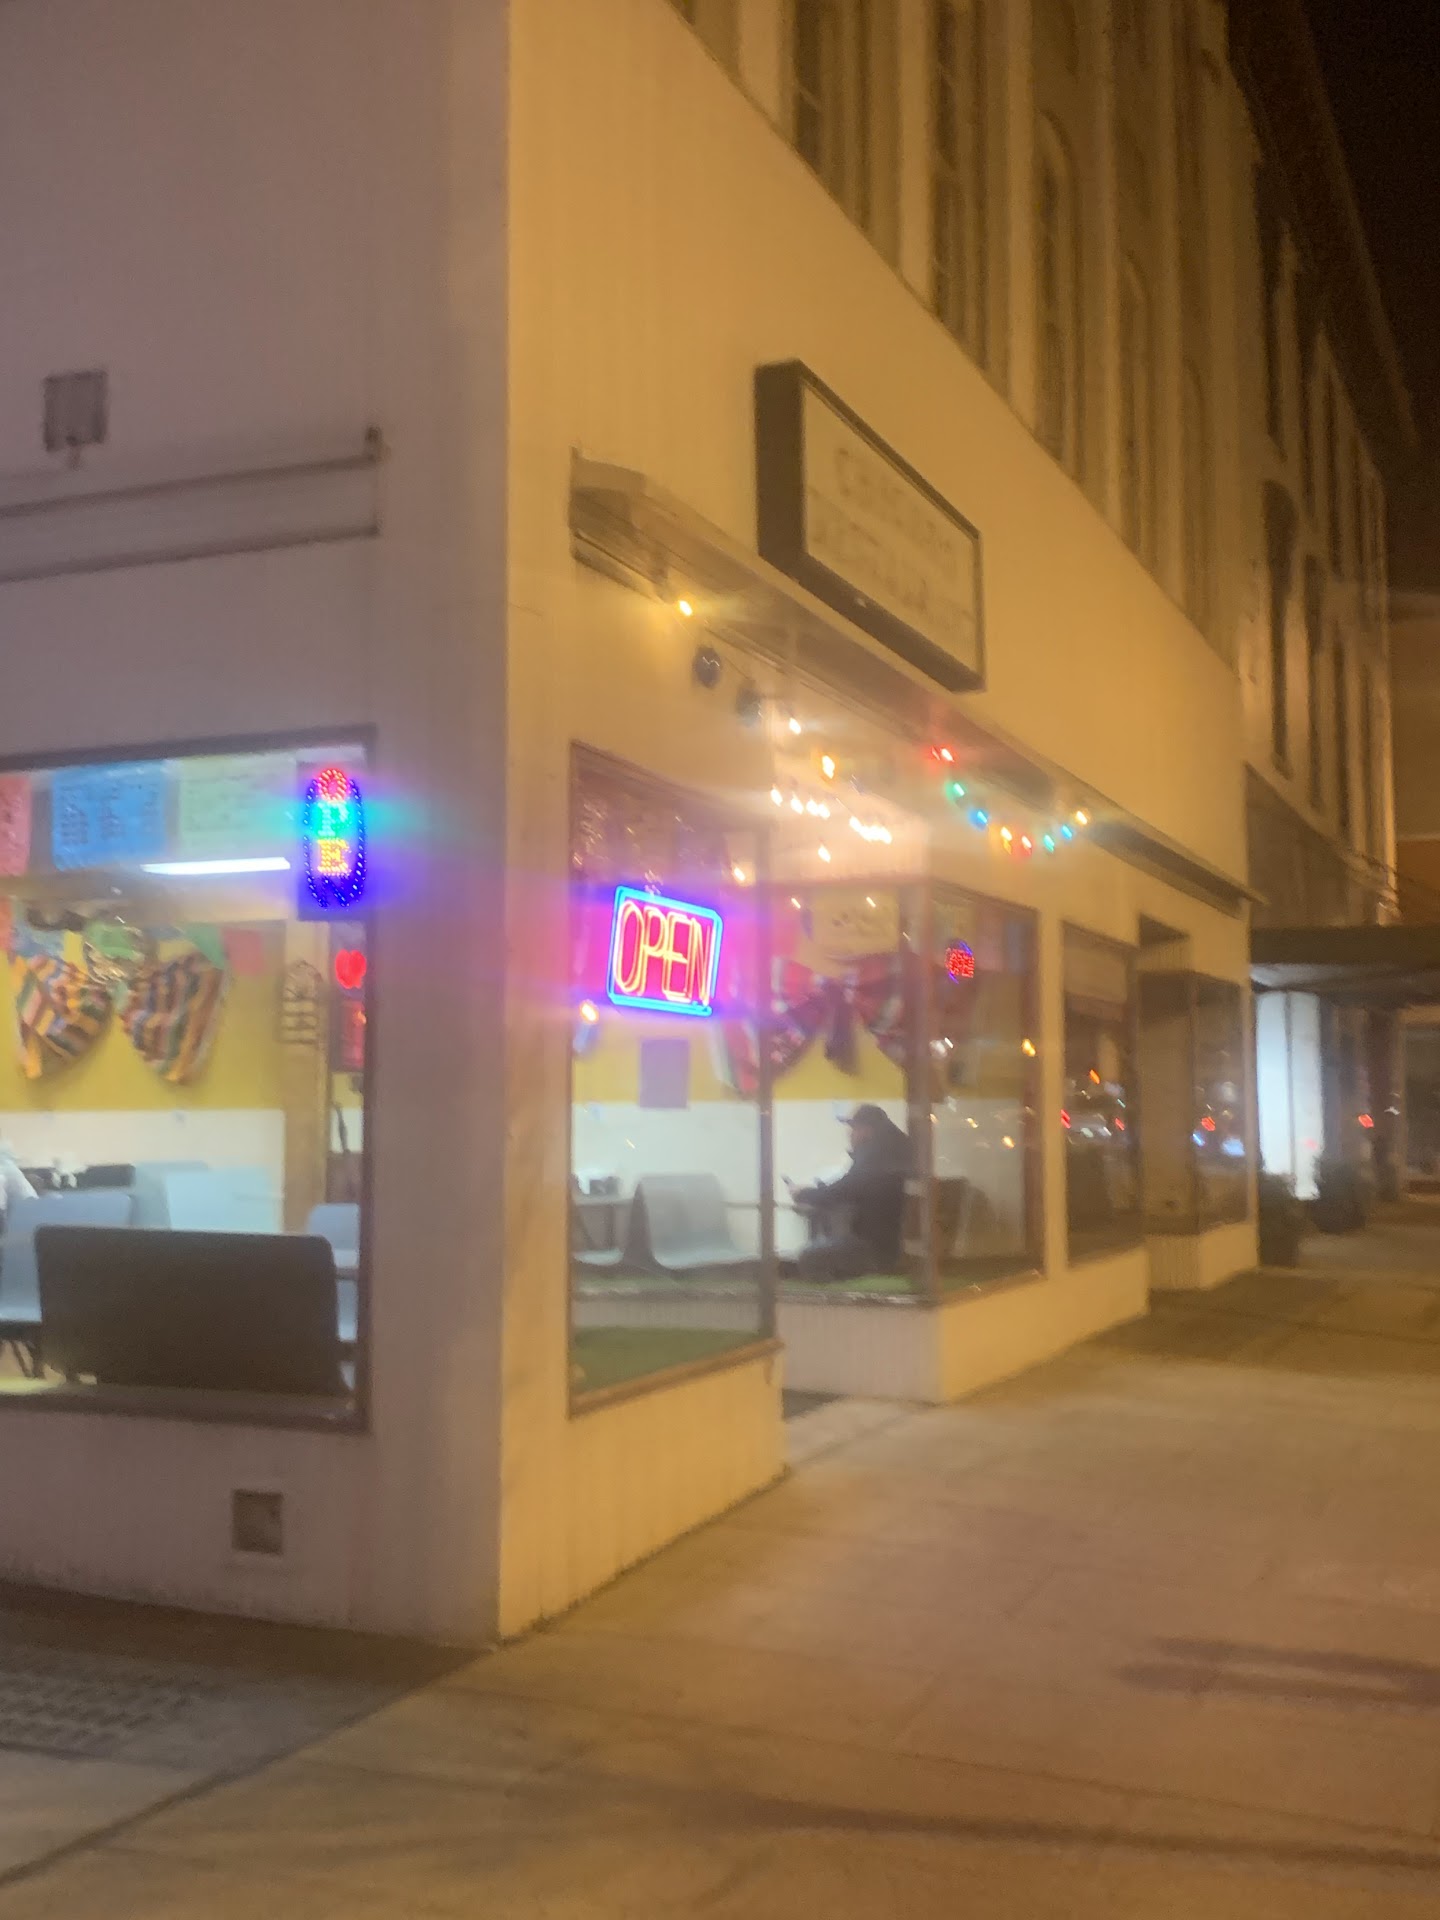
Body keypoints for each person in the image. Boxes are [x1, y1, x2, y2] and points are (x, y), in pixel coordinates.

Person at [789, 1104, 910, 1283]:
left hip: (877, 1249)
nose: (850, 1134)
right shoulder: (897, 1152)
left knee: (809, 1257)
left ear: (867, 1130)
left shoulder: (874, 1158)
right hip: (894, 1245)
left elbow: (841, 1192)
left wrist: (802, 1193)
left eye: (853, 1128)